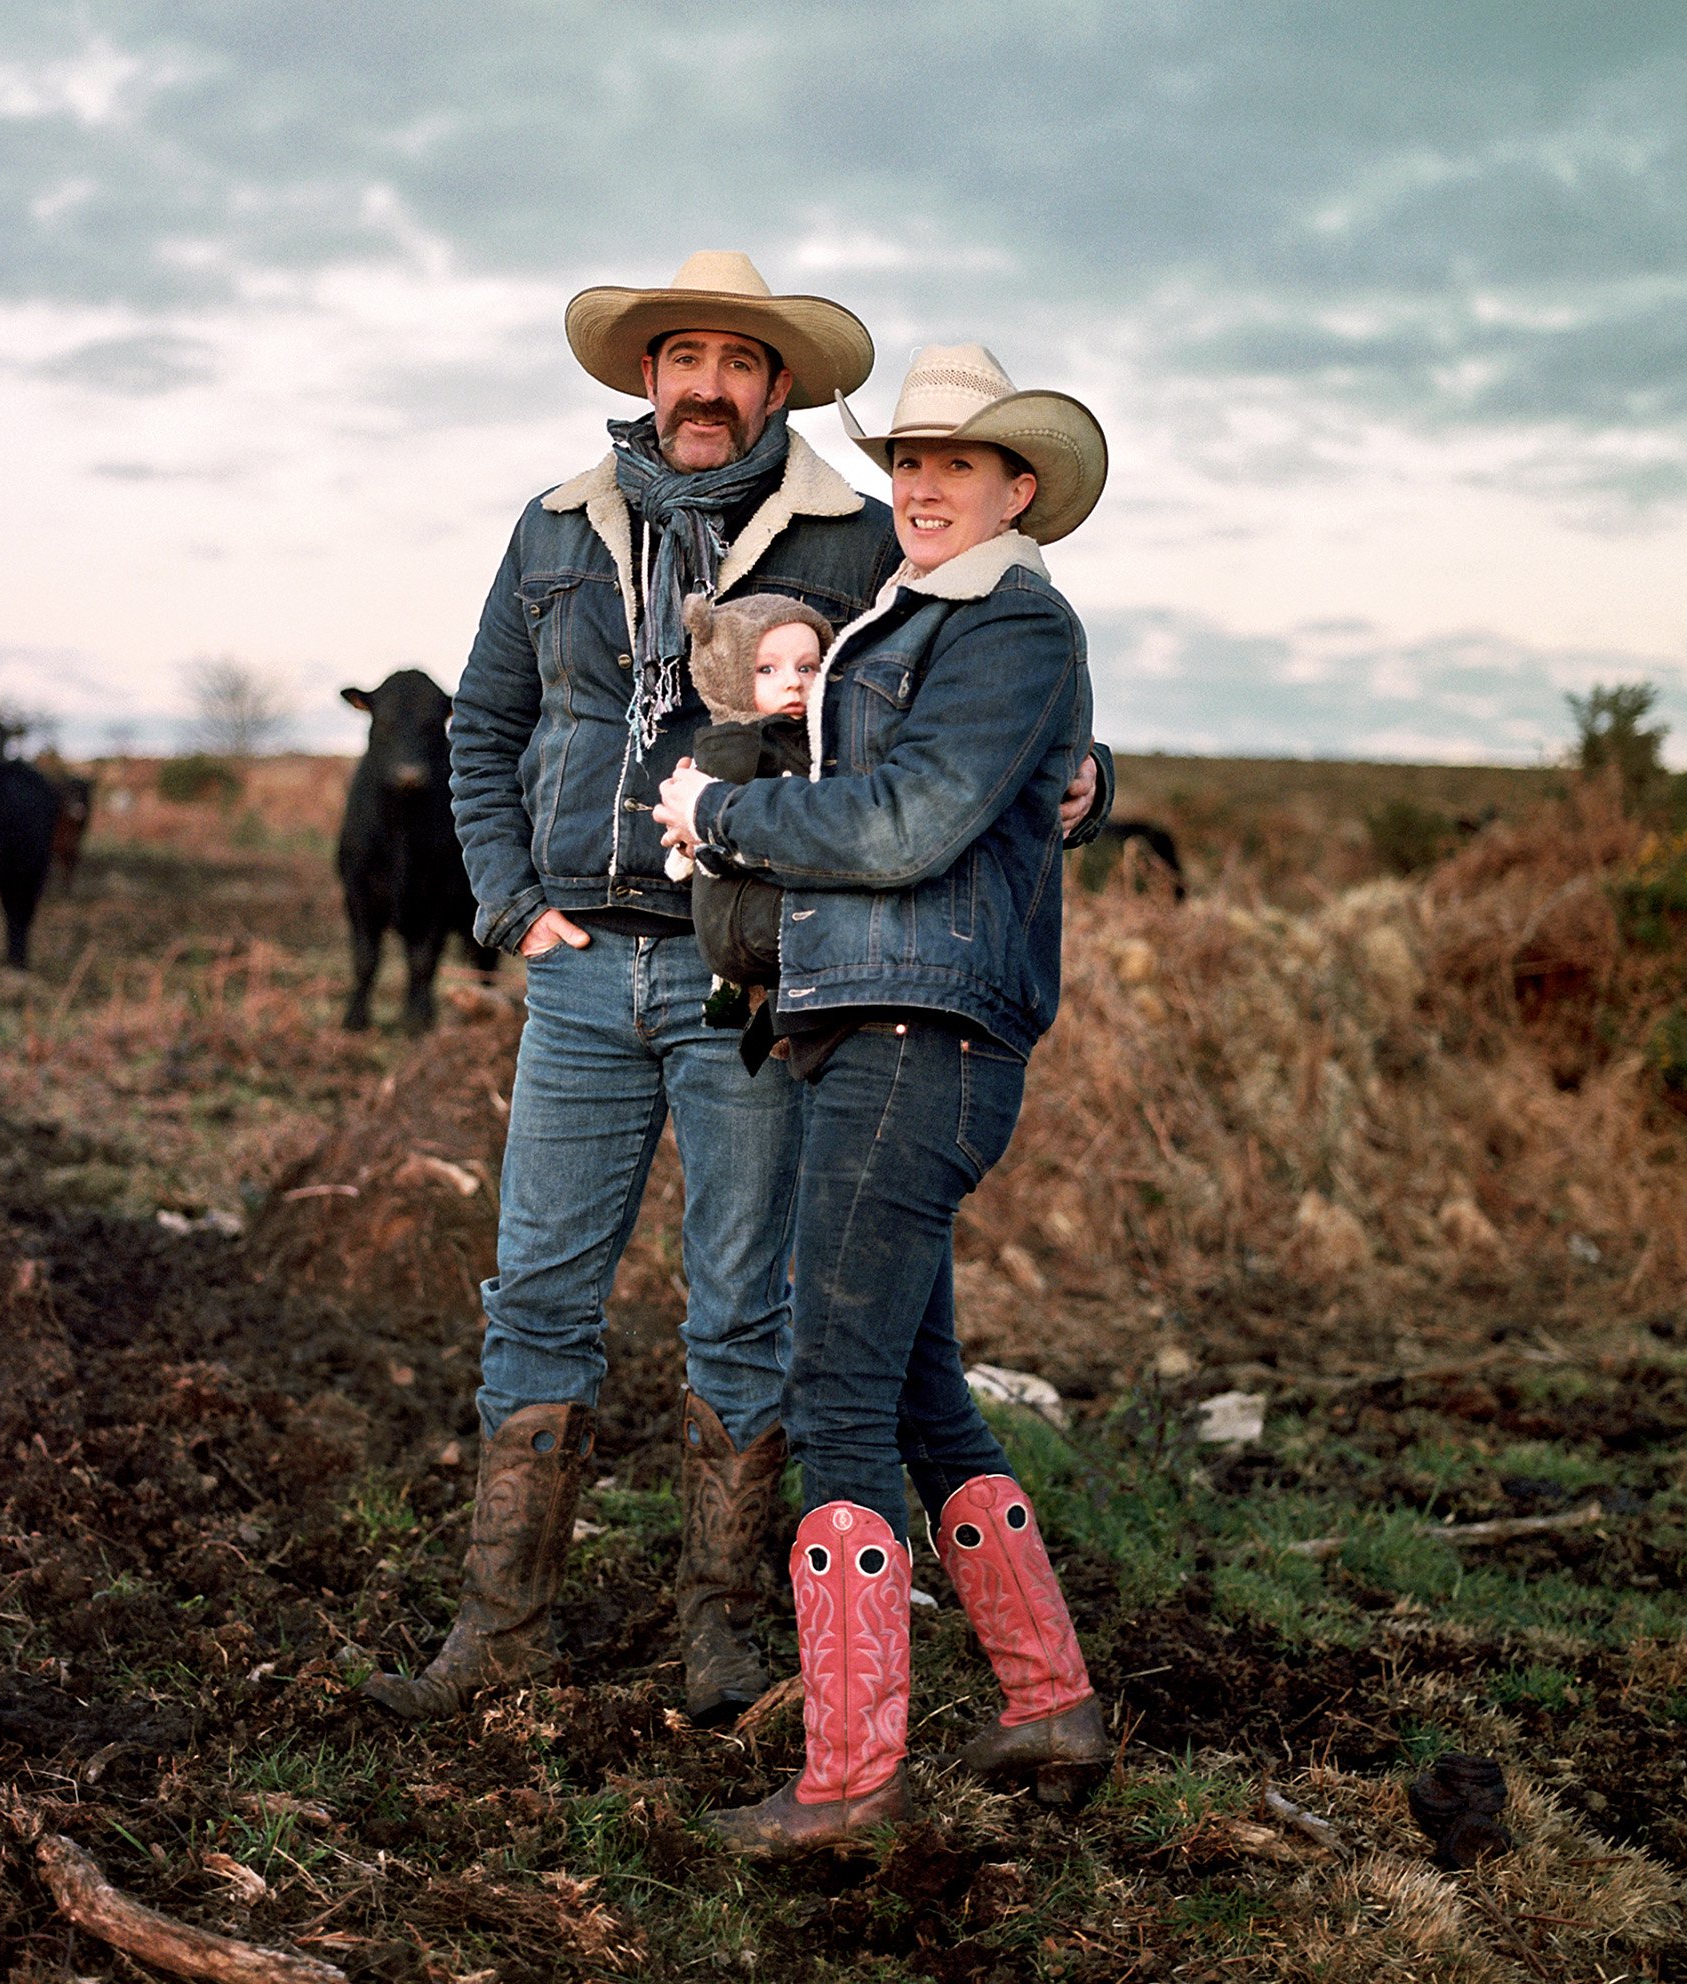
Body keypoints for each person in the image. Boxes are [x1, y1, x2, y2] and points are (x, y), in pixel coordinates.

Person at [363, 251, 900, 1731]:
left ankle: (720, 1640)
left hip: (753, 973)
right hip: (584, 972)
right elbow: (484, 725)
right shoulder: (552, 531)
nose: (707, 385)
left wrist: (1082, 775)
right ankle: (499, 1630)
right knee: (536, 1291)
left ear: (777, 387)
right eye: (683, 358)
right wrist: (512, 909)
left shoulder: (853, 541)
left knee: (741, 1307)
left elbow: (969, 680)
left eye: (739, 361)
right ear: (645, 377)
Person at [654, 344, 1116, 1854]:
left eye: (956, 464)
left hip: (924, 1034)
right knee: (917, 1387)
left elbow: (913, 820)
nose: (919, 484)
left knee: (835, 1389)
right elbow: (948, 776)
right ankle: (1048, 1700)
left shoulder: (1011, 622)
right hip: (883, 1028)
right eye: (907, 459)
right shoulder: (924, 613)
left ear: (1017, 486)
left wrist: (725, 813)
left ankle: (849, 1781)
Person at [668, 592, 832, 1066]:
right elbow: (704, 830)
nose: (793, 685)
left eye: (807, 668)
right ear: (728, 675)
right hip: (746, 924)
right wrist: (689, 845)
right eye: (768, 670)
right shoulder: (732, 746)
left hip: (778, 936)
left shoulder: (822, 744)